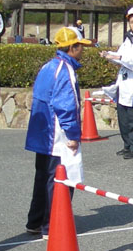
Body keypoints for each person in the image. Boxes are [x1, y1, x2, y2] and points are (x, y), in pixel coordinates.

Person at [24, 27, 90, 240]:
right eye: (80, 46)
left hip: (41, 133)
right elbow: (66, 105)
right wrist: (72, 135)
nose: (82, 51)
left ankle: (35, 221)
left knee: (42, 177)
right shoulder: (65, 70)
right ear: (72, 47)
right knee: (61, 179)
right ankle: (51, 225)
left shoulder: (48, 66)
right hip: (57, 135)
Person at [99, 6, 133, 159]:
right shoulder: (128, 37)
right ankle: (127, 145)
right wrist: (109, 55)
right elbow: (120, 54)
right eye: (132, 22)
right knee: (123, 114)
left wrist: (118, 58)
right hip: (124, 81)